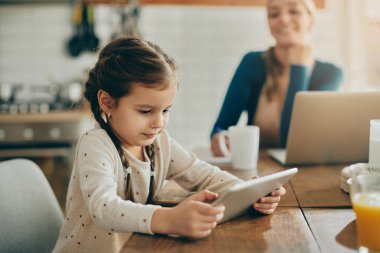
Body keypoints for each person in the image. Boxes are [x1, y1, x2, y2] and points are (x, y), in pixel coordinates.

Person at [52, 37, 286, 253]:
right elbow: (103, 208)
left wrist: (250, 192)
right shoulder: (96, 145)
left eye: (165, 111)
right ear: (107, 103)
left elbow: (205, 176)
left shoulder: (159, 144)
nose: (159, 123)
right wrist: (170, 219)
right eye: (145, 111)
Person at [210, 0, 344, 156]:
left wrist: (298, 69)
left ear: (311, 20)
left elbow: (290, 141)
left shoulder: (331, 74)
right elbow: (221, 126)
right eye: (274, 14)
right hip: (257, 167)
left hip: (305, 168)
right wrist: (218, 137)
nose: (284, 19)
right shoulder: (252, 63)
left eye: (293, 11)